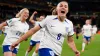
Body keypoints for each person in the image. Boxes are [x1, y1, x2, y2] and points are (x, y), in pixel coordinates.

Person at [10, 1, 80, 56]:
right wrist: (18, 41)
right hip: (45, 48)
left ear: (67, 10)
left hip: (58, 51)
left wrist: (75, 50)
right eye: (60, 6)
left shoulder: (69, 23)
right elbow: (33, 30)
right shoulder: (49, 19)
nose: (63, 7)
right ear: (57, 9)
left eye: (65, 6)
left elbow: (70, 41)